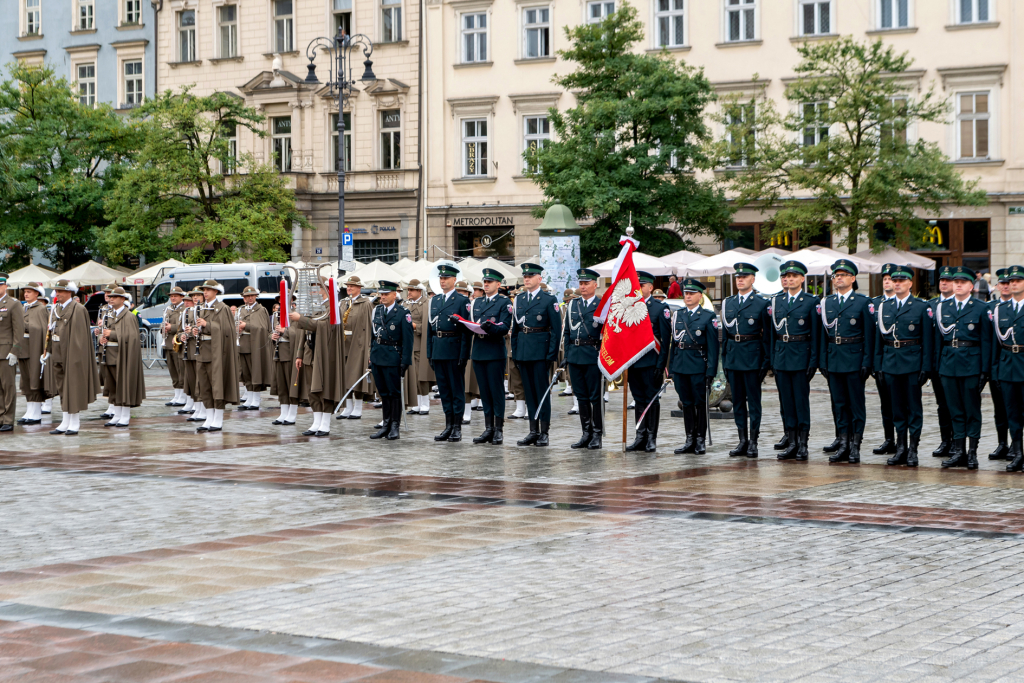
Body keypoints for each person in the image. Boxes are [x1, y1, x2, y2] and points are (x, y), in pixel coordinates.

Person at [875, 265, 934, 467]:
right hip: (891, 362)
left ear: (910, 283)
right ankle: (901, 448)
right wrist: (878, 365)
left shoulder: (921, 307)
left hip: (912, 363)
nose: (897, 283)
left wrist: (926, 367)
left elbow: (927, 340)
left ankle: (913, 449)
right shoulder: (885, 306)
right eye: (895, 280)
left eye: (901, 280)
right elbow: (879, 340)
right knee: (897, 408)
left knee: (913, 409)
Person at [936, 266, 991, 470]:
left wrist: (985, 370)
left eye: (963, 282)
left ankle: (972, 452)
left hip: (971, 364)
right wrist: (937, 366)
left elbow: (986, 341)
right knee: (955, 410)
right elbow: (938, 341)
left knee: (972, 410)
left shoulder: (981, 308)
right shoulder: (943, 307)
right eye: (956, 282)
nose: (958, 285)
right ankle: (959, 451)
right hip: (948, 364)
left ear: (971, 286)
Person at [820, 260, 875, 464]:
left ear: (853, 278)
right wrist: (823, 360)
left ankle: (855, 445)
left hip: (854, 359)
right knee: (839, 404)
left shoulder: (863, 302)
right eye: (836, 275)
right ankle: (843, 443)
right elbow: (823, 336)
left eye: (843, 275)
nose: (839, 278)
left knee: (856, 405)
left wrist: (867, 362)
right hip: (834, 359)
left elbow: (869, 335)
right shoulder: (827, 303)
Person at [768, 261, 819, 461]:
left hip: (800, 356)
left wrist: (813, 362)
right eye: (787, 276)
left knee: (800, 402)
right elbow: (772, 335)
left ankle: (803, 444)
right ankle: (791, 442)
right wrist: (773, 359)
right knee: (786, 402)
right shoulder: (776, 301)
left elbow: (815, 335)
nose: (789, 279)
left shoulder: (811, 301)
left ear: (802, 279)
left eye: (794, 276)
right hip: (782, 356)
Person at [721, 263, 771, 458]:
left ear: (753, 279)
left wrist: (765, 362)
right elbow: (726, 335)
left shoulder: (761, 303)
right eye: (738, 277)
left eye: (744, 277)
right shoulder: (728, 303)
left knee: (754, 403)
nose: (740, 280)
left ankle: (753, 441)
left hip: (752, 357)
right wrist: (725, 358)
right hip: (733, 357)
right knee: (738, 402)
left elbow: (767, 336)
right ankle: (742, 440)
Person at [511, 263, 562, 447]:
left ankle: (544, 432)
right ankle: (533, 431)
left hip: (541, 352)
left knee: (542, 393)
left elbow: (556, 330)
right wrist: (515, 352)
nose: (526, 279)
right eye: (525, 276)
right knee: (529, 393)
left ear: (539, 279)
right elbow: (516, 329)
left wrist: (551, 355)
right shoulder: (519, 299)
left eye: (530, 276)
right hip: (524, 352)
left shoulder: (549, 299)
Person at [669, 278, 719, 455]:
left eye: (691, 294)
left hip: (698, 366)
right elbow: (674, 344)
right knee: (687, 403)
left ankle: (700, 439)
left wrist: (711, 371)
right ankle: (689, 438)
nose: (688, 296)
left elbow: (713, 348)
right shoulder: (678, 315)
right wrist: (671, 368)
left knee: (700, 404)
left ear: (700, 296)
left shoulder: (708, 317)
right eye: (686, 293)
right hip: (680, 366)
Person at [43, 280, 100, 436]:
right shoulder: (55, 308)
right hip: (57, 352)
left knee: (73, 388)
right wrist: (47, 350)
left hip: (72, 354)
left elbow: (80, 336)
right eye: (56, 291)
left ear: (69, 292)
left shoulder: (78, 309)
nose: (57, 294)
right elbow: (51, 330)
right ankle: (65, 420)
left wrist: (76, 355)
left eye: (60, 291)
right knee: (62, 387)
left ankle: (74, 421)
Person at [623, 271, 671, 452]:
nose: (638, 288)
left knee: (651, 400)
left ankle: (651, 437)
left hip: (651, 363)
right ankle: (640, 436)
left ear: (650, 287)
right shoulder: (629, 307)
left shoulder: (660, 308)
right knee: (638, 400)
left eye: (641, 285)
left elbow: (665, 341)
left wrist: (661, 365)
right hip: (634, 363)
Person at [290, 278, 345, 436]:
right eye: (312, 288)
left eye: (316, 288)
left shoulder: (332, 308)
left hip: (325, 354)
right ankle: (316, 422)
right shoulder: (313, 306)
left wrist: (301, 319)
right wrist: (299, 354)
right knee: (311, 389)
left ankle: (325, 423)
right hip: (310, 352)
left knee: (324, 388)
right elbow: (304, 333)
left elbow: (325, 327)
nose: (313, 292)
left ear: (325, 289)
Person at [468, 269, 513, 444]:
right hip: (479, 350)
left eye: (490, 282)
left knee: (496, 391)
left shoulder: (504, 302)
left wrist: (490, 327)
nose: (486, 284)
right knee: (484, 392)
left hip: (494, 351)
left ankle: (498, 429)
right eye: (485, 282)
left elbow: (504, 327)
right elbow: (472, 323)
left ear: (498, 284)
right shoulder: (477, 302)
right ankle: (488, 428)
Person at [427, 265, 471, 442]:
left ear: (454, 280)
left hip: (454, 349)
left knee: (456, 390)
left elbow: (466, 330)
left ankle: (457, 427)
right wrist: (430, 352)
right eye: (441, 278)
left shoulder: (461, 301)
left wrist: (464, 354)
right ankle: (448, 425)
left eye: (446, 278)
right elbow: (430, 329)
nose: (442, 281)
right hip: (438, 349)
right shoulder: (435, 300)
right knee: (444, 390)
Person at [563, 268, 605, 450]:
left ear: (595, 285)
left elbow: (608, 333)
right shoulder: (573, 304)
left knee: (595, 397)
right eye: (581, 283)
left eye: (587, 283)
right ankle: (586, 433)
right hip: (575, 355)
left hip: (593, 355)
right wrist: (566, 355)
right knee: (581, 397)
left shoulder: (602, 305)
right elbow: (567, 332)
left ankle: (597, 434)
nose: (583, 286)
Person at [192, 280, 240, 432]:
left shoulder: (222, 308)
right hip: (202, 351)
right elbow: (199, 326)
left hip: (216, 352)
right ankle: (209, 417)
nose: (205, 292)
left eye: (208, 290)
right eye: (204, 290)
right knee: (204, 385)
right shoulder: (201, 307)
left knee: (217, 385)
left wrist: (207, 325)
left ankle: (218, 418)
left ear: (216, 292)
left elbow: (226, 330)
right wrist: (195, 330)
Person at [369, 280, 414, 440]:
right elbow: (373, 336)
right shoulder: (377, 311)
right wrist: (371, 357)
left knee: (394, 393)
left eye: (386, 294)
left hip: (393, 357)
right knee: (383, 393)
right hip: (378, 356)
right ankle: (386, 425)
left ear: (395, 295)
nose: (382, 297)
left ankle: (395, 426)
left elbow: (408, 340)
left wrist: (405, 361)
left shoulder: (403, 313)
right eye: (381, 294)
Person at [97, 287, 146, 428]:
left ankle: (125, 416)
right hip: (109, 355)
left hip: (122, 356)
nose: (111, 298)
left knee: (123, 386)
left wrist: (111, 334)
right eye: (110, 296)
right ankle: (116, 415)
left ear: (123, 299)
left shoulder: (129, 316)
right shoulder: (109, 314)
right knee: (112, 387)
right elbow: (103, 332)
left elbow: (132, 337)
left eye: (115, 297)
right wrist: (102, 338)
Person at [994, 266, 1024, 471]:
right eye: (1011, 281)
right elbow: (996, 344)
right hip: (1007, 366)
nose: (1013, 284)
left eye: (1018, 281)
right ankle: (1018, 453)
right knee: (1012, 413)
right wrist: (995, 369)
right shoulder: (1001, 310)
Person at [927, 266, 957, 459]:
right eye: (941, 280)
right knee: (942, 405)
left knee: (955, 404)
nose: (944, 283)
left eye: (948, 280)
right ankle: (945, 440)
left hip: (954, 363)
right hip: (936, 364)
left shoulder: (958, 304)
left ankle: (957, 441)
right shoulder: (931, 305)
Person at [869, 265, 897, 455]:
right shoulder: (874, 304)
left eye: (891, 279)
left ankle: (903, 442)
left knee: (900, 404)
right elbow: (872, 337)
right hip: (882, 360)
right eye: (885, 279)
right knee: (885, 404)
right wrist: (874, 363)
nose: (887, 282)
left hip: (900, 361)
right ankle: (889, 439)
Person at [336, 275, 372, 419]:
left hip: (358, 345)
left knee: (356, 376)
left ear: (359, 288)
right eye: (348, 286)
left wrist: (368, 347)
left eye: (352, 286)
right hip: (344, 343)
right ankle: (347, 407)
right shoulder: (344, 302)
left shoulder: (365, 303)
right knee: (345, 376)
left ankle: (358, 407)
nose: (349, 288)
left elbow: (369, 325)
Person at [236, 286, 274, 412]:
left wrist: (246, 326)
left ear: (256, 297)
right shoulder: (241, 310)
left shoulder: (261, 310)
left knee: (255, 372)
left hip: (255, 345)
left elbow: (263, 328)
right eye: (247, 296)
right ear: (243, 298)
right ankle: (249, 398)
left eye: (252, 295)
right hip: (243, 344)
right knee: (246, 373)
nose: (250, 298)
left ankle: (256, 399)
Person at [16, 282, 49, 426]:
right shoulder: (24, 307)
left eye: (29, 292)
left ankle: (36, 412)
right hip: (23, 348)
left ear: (37, 294)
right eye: (25, 291)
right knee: (26, 381)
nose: (26, 294)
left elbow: (40, 328)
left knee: (35, 379)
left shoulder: (40, 308)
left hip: (34, 348)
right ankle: (30, 410)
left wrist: (22, 325)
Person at [988, 269, 1012, 460]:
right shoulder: (990, 308)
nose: (1005, 286)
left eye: (1008, 283)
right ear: (997, 286)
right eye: (1002, 283)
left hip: (1015, 364)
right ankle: (1002, 443)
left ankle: (1016, 445)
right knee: (999, 408)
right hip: (996, 364)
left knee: (1016, 408)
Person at [403, 279, 433, 415]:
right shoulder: (406, 303)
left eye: (411, 290)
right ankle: (416, 403)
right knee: (412, 376)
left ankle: (425, 403)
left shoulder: (426, 303)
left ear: (419, 291)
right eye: (408, 290)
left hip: (421, 343)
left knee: (422, 375)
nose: (409, 292)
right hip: (409, 344)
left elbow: (428, 324)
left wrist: (416, 327)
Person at [0, 273, 26, 432]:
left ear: (5, 286)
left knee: (8, 387)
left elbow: (19, 329)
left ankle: (8, 419)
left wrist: (15, 350)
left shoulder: (13, 304)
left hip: (6, 352)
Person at [270, 295, 300, 426]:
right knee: (281, 385)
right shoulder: (277, 314)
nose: (282, 301)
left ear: (292, 300)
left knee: (290, 384)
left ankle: (292, 413)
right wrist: (272, 336)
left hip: (289, 352)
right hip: (279, 352)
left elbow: (298, 332)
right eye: (280, 299)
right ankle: (283, 412)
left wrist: (285, 331)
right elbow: (270, 330)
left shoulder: (295, 314)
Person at [161, 287, 187, 408]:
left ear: (181, 297)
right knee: (173, 371)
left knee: (180, 370)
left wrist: (171, 327)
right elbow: (164, 322)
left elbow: (183, 325)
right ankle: (177, 395)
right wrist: (163, 328)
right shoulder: (169, 308)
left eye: (175, 296)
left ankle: (183, 395)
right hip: (168, 343)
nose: (173, 298)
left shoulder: (184, 308)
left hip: (178, 343)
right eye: (171, 296)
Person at [459, 281, 480, 424]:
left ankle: (468, 411)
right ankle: (462, 411)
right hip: (457, 345)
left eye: (462, 292)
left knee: (469, 381)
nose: (459, 294)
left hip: (471, 345)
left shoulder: (473, 305)